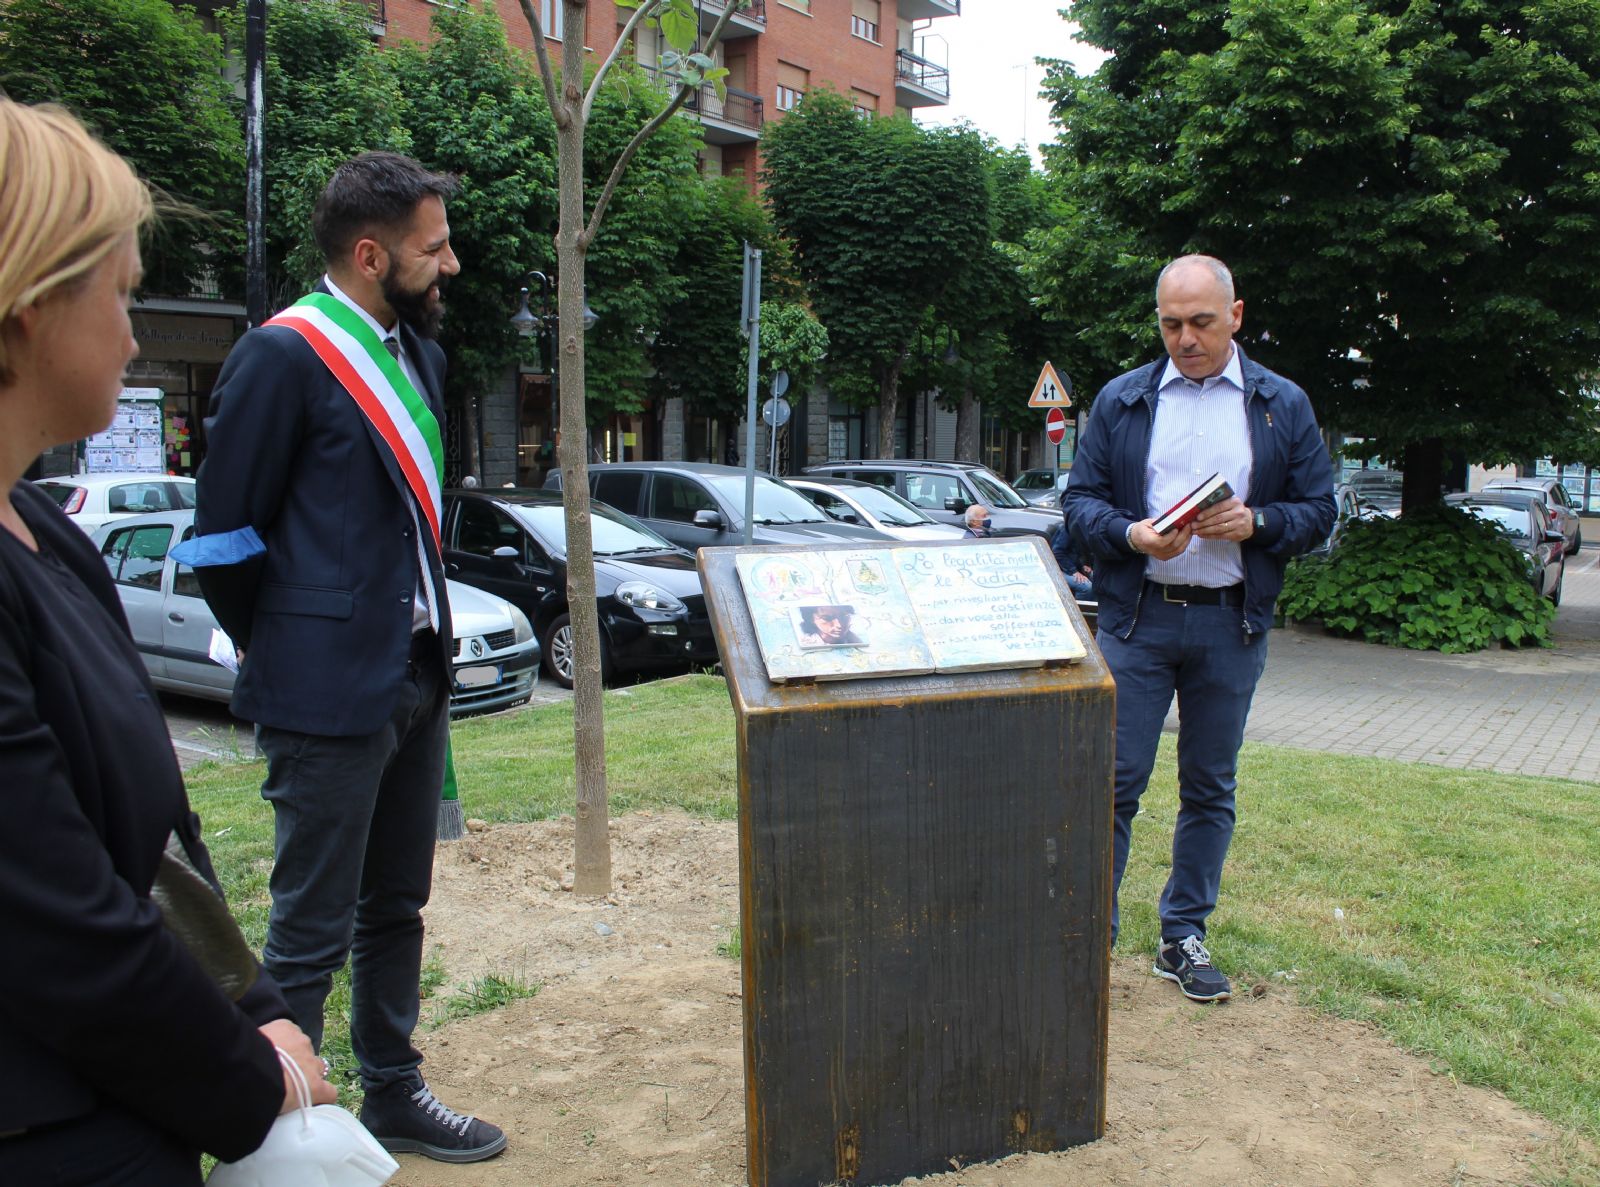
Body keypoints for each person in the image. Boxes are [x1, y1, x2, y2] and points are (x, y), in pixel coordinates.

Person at [0, 98, 332, 1185]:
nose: (135, 334)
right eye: (121, 292)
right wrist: (251, 1079)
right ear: (28, 300)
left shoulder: (49, 530)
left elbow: (151, 841)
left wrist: (256, 1004)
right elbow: (55, 924)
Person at [187, 153, 504, 1162]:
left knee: (395, 905)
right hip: (324, 690)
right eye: (432, 247)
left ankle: (393, 1090)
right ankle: (289, 1136)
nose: (450, 263)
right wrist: (292, 642)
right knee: (310, 927)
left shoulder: (423, 359)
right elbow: (223, 541)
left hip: (415, 671)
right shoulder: (283, 356)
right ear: (370, 256)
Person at [1063, 254, 1335, 1003]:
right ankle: (1089, 937)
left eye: (1202, 323)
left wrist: (1259, 523)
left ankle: (1182, 934)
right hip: (1138, 619)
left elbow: (1320, 511)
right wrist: (1131, 536)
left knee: (1210, 786)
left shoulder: (1282, 403)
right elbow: (1079, 503)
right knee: (1111, 783)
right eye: (1171, 324)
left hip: (1230, 623)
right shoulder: (1124, 399)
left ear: (1236, 317)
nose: (1185, 339)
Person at [1049, 521, 1096, 600]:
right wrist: (1074, 571)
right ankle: (1079, 607)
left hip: (1070, 567)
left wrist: (1085, 565)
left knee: (1098, 580)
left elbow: (1078, 553)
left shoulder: (1084, 529)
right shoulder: (1068, 529)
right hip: (1056, 569)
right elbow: (1057, 553)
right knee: (1086, 587)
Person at [798, 604, 865, 647]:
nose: (839, 625)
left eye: (844, 617)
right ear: (811, 619)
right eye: (827, 618)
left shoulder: (858, 641)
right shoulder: (804, 643)